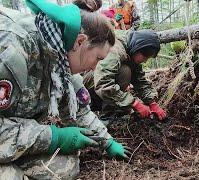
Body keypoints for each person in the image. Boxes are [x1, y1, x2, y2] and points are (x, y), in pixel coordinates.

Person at [0, 0, 131, 179]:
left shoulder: (61, 58)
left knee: (64, 167)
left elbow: (79, 112)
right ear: (80, 42)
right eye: (98, 59)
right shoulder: (12, 50)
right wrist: (54, 137)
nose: (94, 68)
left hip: (11, 134)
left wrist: (107, 142)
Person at [83, 29, 167, 122]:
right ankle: (107, 117)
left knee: (127, 70)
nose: (145, 61)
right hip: (82, 90)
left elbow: (139, 80)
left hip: (96, 89)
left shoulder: (132, 49)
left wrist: (152, 103)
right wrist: (135, 103)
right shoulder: (115, 50)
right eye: (145, 57)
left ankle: (117, 110)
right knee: (125, 71)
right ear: (139, 48)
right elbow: (103, 83)